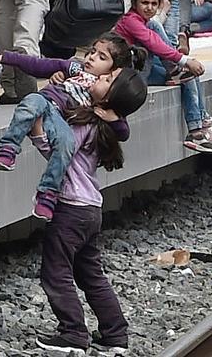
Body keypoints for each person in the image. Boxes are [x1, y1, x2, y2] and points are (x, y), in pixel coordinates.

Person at [0, 32, 147, 220]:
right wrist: (7, 58)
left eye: (102, 57)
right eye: (93, 51)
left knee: (67, 143)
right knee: (30, 103)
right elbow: (41, 65)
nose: (92, 57)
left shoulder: (103, 91)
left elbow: (123, 132)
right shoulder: (74, 67)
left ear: (114, 71)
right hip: (44, 101)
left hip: (56, 118)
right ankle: (8, 148)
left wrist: (114, 118)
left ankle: (48, 193)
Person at [35, 82, 147, 355]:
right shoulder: (107, 125)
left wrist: (37, 131)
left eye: (106, 80)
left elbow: (59, 153)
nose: (96, 79)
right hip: (91, 208)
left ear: (108, 98)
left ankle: (72, 333)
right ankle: (115, 334)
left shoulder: (86, 121)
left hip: (70, 208)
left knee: (56, 271)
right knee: (91, 274)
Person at [115, 0, 212, 152]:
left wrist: (184, 62)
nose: (149, 8)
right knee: (182, 63)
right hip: (132, 74)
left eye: (153, 4)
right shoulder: (131, 21)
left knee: (188, 74)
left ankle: (199, 126)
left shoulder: (144, 20)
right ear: (134, 4)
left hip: (143, 68)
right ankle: (198, 127)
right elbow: (155, 43)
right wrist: (182, 60)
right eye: (144, 3)